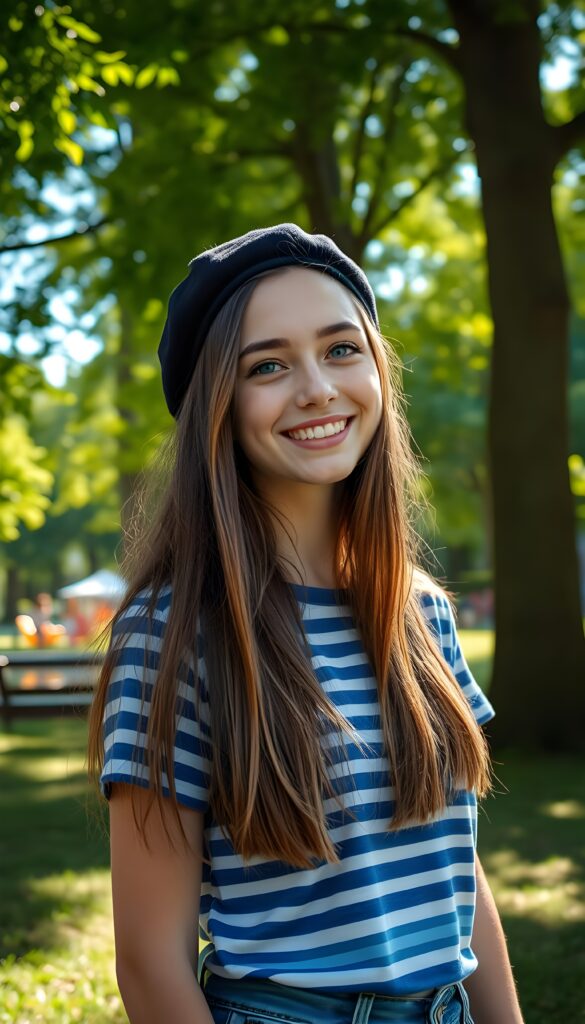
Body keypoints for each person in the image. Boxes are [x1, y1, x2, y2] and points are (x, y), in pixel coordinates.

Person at [87, 224, 524, 1024]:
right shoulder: (171, 632)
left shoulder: (419, 611)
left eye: (340, 349)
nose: (317, 387)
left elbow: (453, 874)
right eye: (268, 366)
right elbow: (151, 965)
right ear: (215, 404)